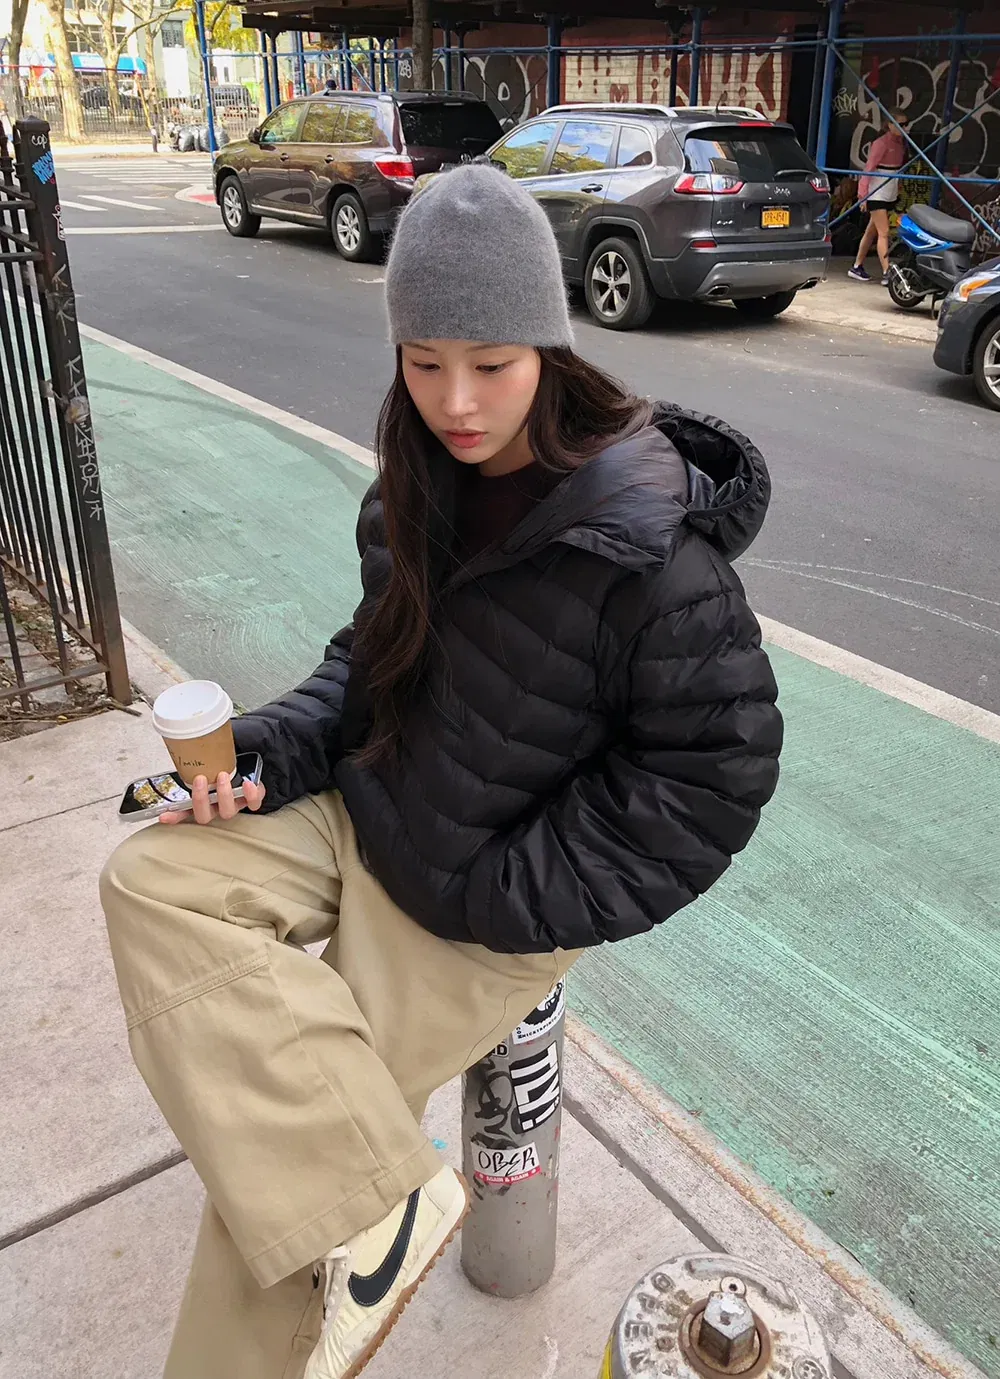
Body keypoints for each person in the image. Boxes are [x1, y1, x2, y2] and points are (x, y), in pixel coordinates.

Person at [99, 164, 783, 1379]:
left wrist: (493, 892)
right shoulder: (414, 486)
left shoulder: (656, 558)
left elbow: (709, 783)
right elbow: (372, 660)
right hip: (375, 805)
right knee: (151, 883)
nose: (455, 401)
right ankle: (374, 1200)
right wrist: (271, 744)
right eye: (423, 363)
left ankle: (353, 1213)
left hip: (477, 897)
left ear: (549, 351)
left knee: (275, 1180)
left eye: (491, 363)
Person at [848, 109, 910, 285]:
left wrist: (898, 186)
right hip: (877, 191)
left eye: (906, 124)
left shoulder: (902, 144)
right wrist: (862, 195)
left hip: (889, 190)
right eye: (901, 124)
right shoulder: (881, 143)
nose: (905, 127)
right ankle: (886, 272)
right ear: (889, 125)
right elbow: (868, 169)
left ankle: (857, 266)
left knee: (872, 230)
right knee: (884, 232)